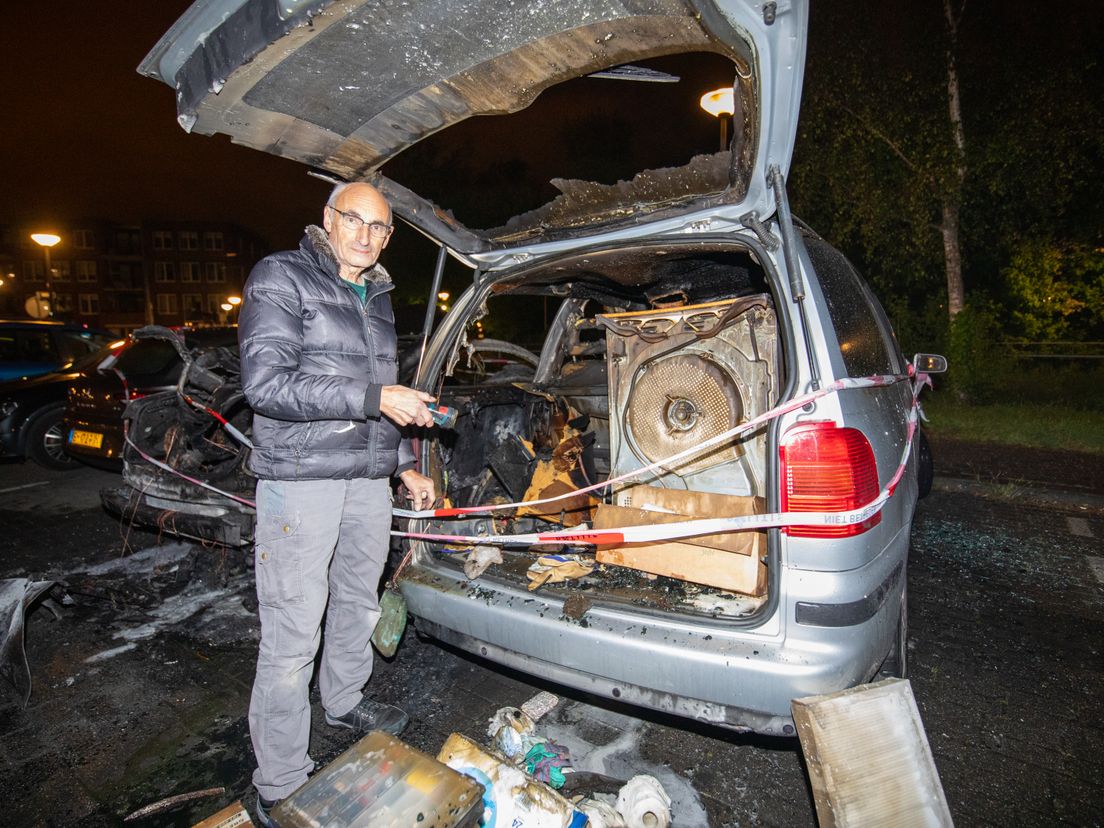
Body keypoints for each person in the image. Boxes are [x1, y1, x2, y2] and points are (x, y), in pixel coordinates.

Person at [238, 181, 436, 823]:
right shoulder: (282, 276)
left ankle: (345, 700)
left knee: (357, 601)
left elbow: (382, 389)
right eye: (355, 220)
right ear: (328, 219)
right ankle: (280, 780)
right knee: (293, 632)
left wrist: (403, 465)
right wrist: (373, 399)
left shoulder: (377, 295)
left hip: (366, 481)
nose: (366, 236)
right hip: (300, 480)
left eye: (380, 228)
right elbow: (266, 384)